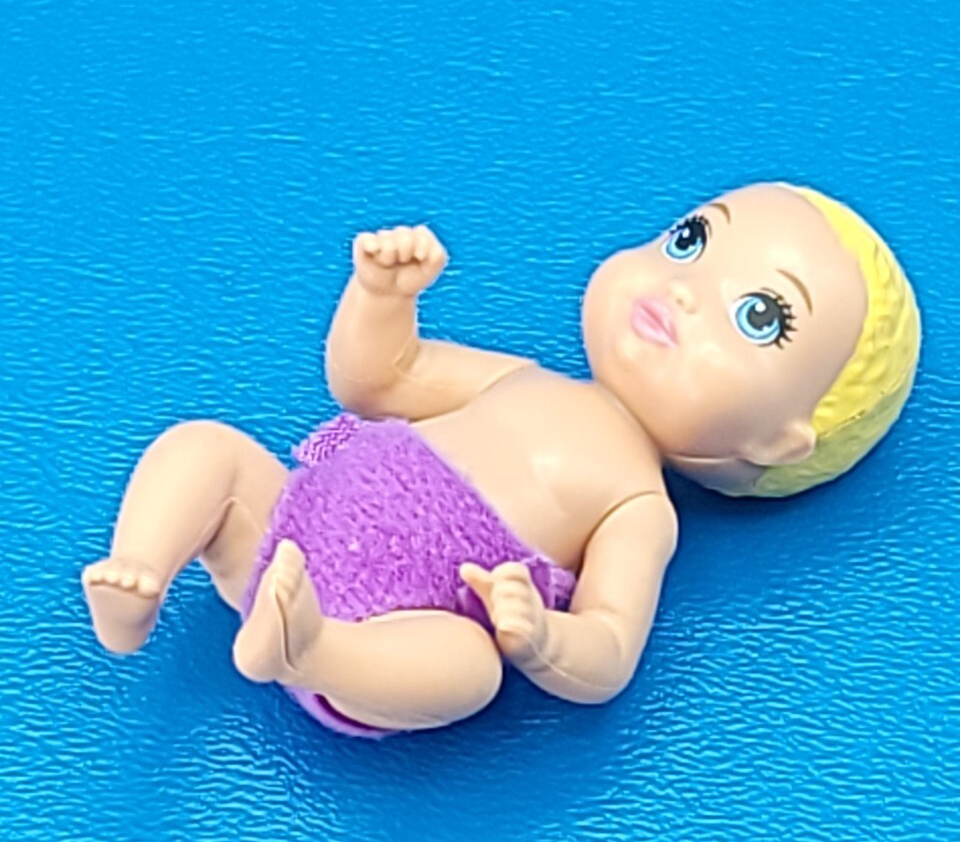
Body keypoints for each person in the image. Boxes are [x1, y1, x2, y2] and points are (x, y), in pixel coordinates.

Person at [82, 183, 921, 737]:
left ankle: (313, 652)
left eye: (757, 317)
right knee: (205, 448)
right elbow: (378, 381)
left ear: (775, 443)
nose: (684, 290)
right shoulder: (521, 378)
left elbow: (609, 649)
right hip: (284, 529)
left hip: (391, 632)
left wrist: (544, 637)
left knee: (470, 670)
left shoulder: (638, 508)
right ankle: (139, 578)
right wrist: (380, 300)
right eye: (690, 240)